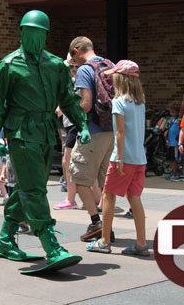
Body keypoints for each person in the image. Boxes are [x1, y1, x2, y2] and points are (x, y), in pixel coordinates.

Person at [0, 10, 90, 271]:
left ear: (45, 35)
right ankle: (50, 244)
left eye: (39, 32)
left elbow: (68, 99)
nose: (33, 36)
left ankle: (5, 240)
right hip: (20, 133)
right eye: (29, 31)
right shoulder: (9, 65)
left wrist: (82, 124)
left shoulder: (56, 65)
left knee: (27, 187)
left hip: (45, 132)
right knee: (34, 190)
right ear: (22, 32)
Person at [86, 60, 149, 256]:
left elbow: (120, 132)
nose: (112, 79)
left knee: (108, 195)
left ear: (121, 78)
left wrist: (119, 158)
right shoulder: (140, 103)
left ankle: (104, 241)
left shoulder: (119, 102)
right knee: (134, 198)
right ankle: (141, 243)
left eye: (114, 76)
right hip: (139, 159)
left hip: (123, 158)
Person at [67, 36, 115, 242]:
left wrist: (72, 108)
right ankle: (107, 228)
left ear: (78, 51)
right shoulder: (109, 65)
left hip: (92, 131)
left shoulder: (86, 69)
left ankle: (96, 222)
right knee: (106, 183)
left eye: (72, 58)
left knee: (78, 179)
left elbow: (85, 104)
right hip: (111, 130)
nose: (73, 63)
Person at [54, 56, 80, 210]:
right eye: (71, 67)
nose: (74, 70)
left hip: (75, 124)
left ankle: (70, 199)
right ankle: (97, 198)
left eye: (76, 67)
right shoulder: (73, 82)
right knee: (78, 163)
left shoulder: (76, 82)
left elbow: (66, 104)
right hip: (71, 125)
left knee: (67, 161)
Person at [164, 105, 184, 181]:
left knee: (175, 158)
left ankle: (175, 172)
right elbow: (169, 127)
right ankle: (175, 170)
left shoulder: (179, 119)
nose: (171, 113)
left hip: (176, 142)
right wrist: (167, 133)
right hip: (171, 141)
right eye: (170, 112)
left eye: (173, 112)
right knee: (171, 158)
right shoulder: (171, 119)